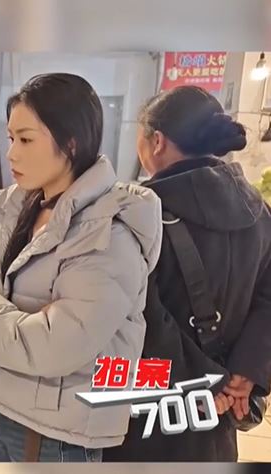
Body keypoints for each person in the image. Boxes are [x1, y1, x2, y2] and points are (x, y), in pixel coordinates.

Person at [0, 73, 163, 462]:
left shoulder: (108, 235)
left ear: (71, 142)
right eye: (11, 138)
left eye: (26, 140)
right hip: (2, 405)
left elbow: (55, 346)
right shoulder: (22, 208)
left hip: (57, 433)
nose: (11, 154)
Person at [103, 86, 271, 462]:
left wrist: (205, 380)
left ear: (157, 141)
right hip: (220, 418)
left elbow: (136, 311)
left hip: (146, 413)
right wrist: (245, 372)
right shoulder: (259, 212)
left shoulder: (136, 215)